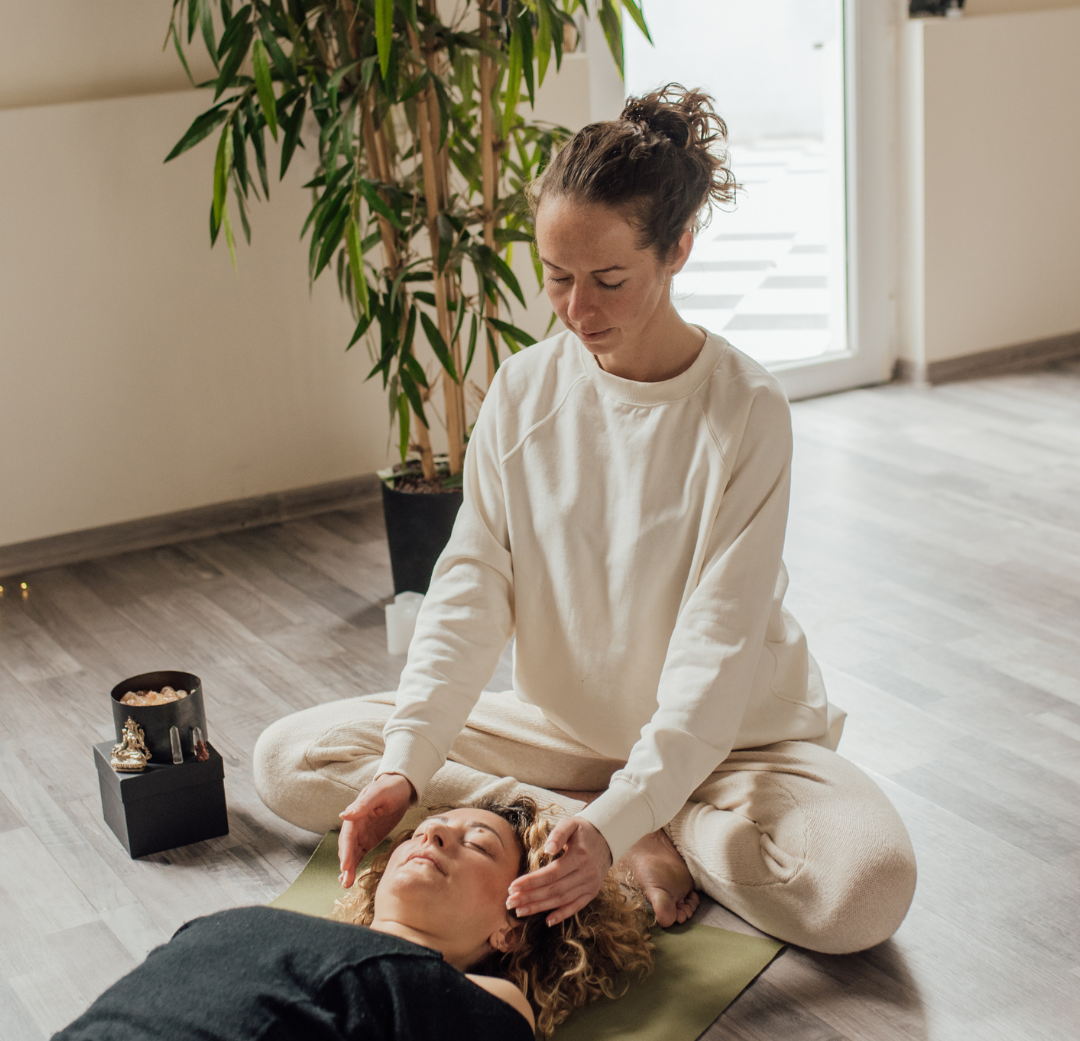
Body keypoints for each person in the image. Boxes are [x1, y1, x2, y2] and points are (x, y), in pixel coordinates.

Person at [254, 84, 917, 955]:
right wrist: (406, 765)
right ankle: (582, 821)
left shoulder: (746, 410)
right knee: (294, 757)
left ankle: (634, 823)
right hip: (561, 736)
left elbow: (717, 649)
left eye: (609, 280)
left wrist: (628, 808)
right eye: (558, 278)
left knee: (862, 891)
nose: (578, 310)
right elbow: (470, 588)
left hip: (734, 744)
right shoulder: (526, 388)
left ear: (677, 248)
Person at [52, 800, 652, 1041]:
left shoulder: (487, 996)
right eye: (422, 830)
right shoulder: (265, 923)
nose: (434, 831)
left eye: (479, 844)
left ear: (514, 927)